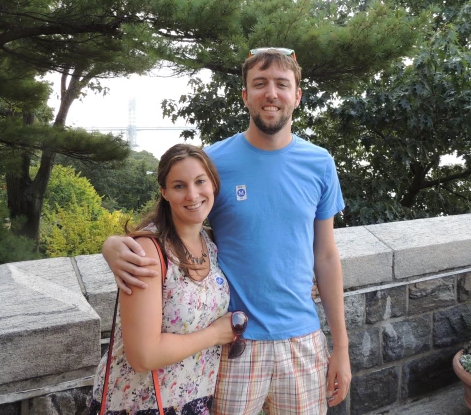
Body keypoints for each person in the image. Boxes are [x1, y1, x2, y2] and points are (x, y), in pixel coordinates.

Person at [103, 48, 351, 414]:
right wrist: (112, 245)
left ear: (297, 95)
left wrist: (342, 349)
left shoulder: (320, 163)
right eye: (260, 84)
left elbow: (327, 256)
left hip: (303, 340)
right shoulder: (215, 161)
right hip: (233, 341)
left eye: (283, 84)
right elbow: (176, 219)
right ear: (245, 95)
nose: (271, 93)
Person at [89, 144, 238, 414]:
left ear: (213, 184)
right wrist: (215, 334)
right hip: (142, 404)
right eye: (179, 186)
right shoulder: (148, 250)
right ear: (164, 192)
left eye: (200, 181)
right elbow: (143, 355)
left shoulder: (212, 243)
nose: (192, 194)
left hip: (194, 402)